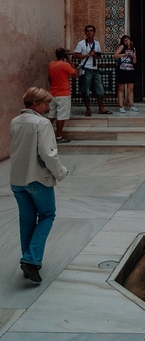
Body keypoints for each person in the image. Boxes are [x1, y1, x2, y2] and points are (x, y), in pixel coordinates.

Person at [10, 87, 68, 283]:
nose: (47, 107)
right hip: (37, 179)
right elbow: (48, 153)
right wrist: (60, 172)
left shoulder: (15, 121)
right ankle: (31, 259)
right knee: (47, 215)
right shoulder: (42, 124)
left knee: (26, 220)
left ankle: (29, 260)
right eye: (45, 103)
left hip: (17, 180)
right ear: (35, 103)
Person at [72, 25, 112, 117]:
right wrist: (88, 55)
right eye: (87, 31)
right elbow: (75, 55)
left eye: (91, 30)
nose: (89, 32)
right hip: (86, 69)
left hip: (95, 69)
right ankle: (88, 109)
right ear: (85, 32)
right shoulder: (81, 43)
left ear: (94, 32)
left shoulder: (97, 43)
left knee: (100, 89)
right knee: (85, 90)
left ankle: (101, 108)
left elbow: (99, 55)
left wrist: (96, 56)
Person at [47, 48, 78, 143]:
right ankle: (59, 137)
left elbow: (49, 79)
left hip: (52, 94)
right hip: (63, 94)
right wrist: (71, 62)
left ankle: (45, 135)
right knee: (61, 116)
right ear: (64, 56)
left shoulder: (51, 64)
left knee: (51, 115)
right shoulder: (65, 65)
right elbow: (76, 75)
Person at [114, 35, 139, 113]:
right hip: (122, 70)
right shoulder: (122, 47)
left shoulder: (133, 49)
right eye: (125, 40)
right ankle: (121, 106)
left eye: (128, 40)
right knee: (121, 88)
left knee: (130, 89)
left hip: (130, 69)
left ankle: (131, 105)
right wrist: (123, 54)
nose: (127, 42)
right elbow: (115, 55)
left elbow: (135, 62)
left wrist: (134, 57)